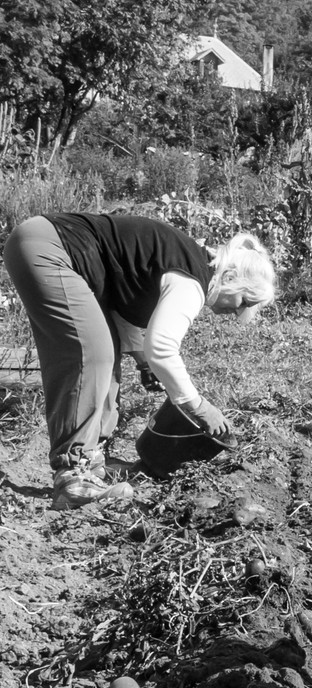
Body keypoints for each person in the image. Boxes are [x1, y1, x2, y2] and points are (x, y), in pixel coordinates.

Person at [3, 213, 275, 509]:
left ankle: (91, 462)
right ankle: (73, 472)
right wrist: (198, 406)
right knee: (91, 353)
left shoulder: (186, 265)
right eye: (244, 302)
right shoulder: (191, 279)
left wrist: (143, 362)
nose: (239, 312)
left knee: (106, 354)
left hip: (48, 246)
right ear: (231, 277)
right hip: (50, 248)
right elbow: (162, 347)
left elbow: (124, 311)